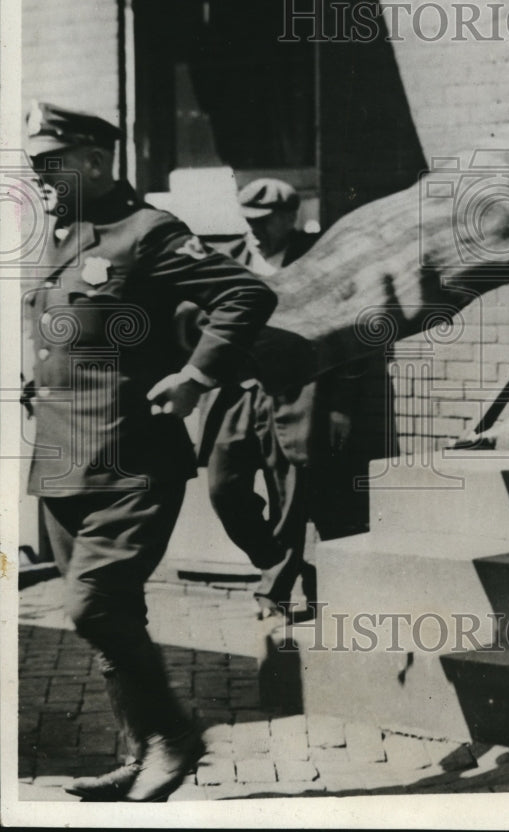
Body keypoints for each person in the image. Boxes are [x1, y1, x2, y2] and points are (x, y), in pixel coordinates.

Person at [22, 101, 277, 802]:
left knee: (93, 606)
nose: (37, 177)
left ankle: (172, 736)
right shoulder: (66, 235)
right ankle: (142, 755)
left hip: (130, 461)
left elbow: (244, 294)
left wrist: (197, 377)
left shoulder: (149, 233)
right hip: (62, 461)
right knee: (113, 623)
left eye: (50, 164)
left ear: (96, 162)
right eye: (33, 164)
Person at [199, 178, 363, 621]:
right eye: (247, 221)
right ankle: (279, 564)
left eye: (264, 221)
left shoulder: (319, 259)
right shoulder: (227, 258)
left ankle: (273, 591)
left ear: (289, 218)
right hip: (238, 390)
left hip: (300, 391)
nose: (253, 230)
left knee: (289, 497)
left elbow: (351, 332)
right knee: (224, 489)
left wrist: (342, 404)